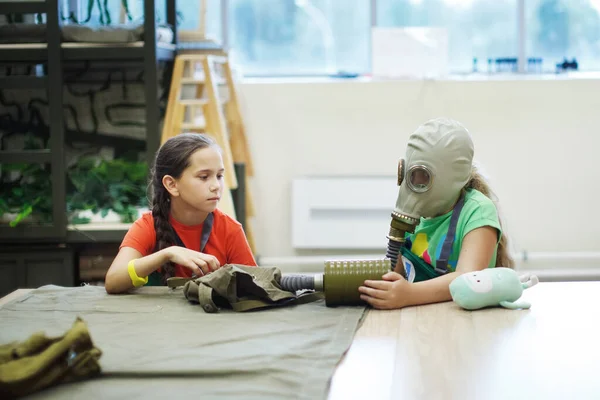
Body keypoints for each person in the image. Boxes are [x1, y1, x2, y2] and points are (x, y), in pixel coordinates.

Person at [359, 118, 513, 309]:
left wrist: (409, 295)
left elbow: (467, 279)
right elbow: (394, 276)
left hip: (466, 324)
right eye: (410, 176)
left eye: (423, 177)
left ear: (453, 178)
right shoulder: (417, 213)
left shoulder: (477, 211)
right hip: (421, 322)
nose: (413, 186)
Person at [105, 133, 256, 294]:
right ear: (172, 184)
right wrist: (167, 254)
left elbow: (256, 288)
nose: (216, 186)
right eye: (204, 177)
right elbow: (113, 281)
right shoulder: (148, 226)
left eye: (219, 176)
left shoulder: (230, 230)